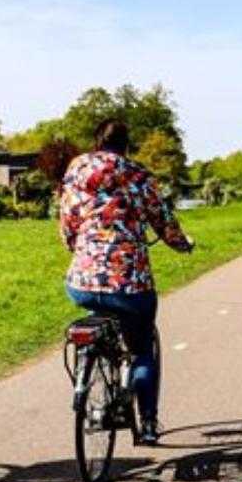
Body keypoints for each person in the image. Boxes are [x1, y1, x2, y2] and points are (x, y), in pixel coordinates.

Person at [59, 115, 192, 445]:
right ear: (126, 146)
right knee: (141, 350)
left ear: (96, 143)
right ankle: (147, 424)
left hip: (81, 282)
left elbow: (67, 220)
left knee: (97, 312)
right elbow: (163, 221)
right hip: (129, 285)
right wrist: (182, 244)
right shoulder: (138, 176)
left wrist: (76, 247)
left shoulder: (76, 170)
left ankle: (92, 368)